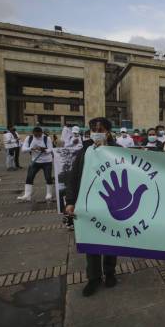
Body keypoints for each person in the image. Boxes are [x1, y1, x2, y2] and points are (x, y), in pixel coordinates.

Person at [66, 117, 118, 296]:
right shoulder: (84, 152)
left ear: (109, 131)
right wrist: (70, 202)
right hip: (87, 204)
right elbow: (73, 178)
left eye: (101, 129)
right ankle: (93, 278)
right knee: (92, 242)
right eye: (93, 129)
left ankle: (110, 272)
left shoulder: (118, 151)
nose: (97, 132)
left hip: (112, 203)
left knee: (111, 239)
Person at [17, 126, 54, 202]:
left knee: (48, 177)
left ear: (42, 133)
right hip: (35, 161)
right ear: (33, 133)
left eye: (39, 135)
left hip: (47, 161)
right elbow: (23, 150)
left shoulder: (47, 138)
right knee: (29, 176)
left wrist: (44, 150)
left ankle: (49, 194)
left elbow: (51, 149)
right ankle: (27, 195)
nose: (37, 136)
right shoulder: (29, 138)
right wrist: (32, 148)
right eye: (35, 135)